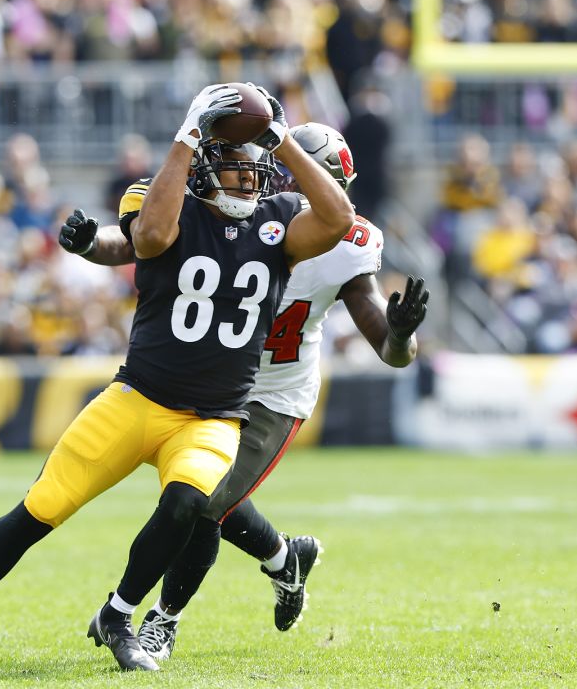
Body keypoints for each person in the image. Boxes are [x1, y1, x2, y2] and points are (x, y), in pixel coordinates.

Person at [0, 83, 356, 672]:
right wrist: (188, 135)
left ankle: (120, 615)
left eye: (255, 168)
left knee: (186, 506)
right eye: (232, 166)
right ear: (199, 165)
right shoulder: (162, 200)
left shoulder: (279, 222)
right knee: (37, 513)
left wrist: (279, 139)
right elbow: (145, 239)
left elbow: (339, 216)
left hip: (215, 418)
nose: (248, 179)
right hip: (137, 399)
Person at [58, 122, 429, 661]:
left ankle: (161, 619)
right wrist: (93, 245)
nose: (306, 190)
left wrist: (399, 332)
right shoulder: (249, 213)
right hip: (209, 378)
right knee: (198, 494)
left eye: (320, 179)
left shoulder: (349, 244)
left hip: (274, 394)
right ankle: (284, 559)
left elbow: (393, 354)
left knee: (201, 503)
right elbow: (143, 244)